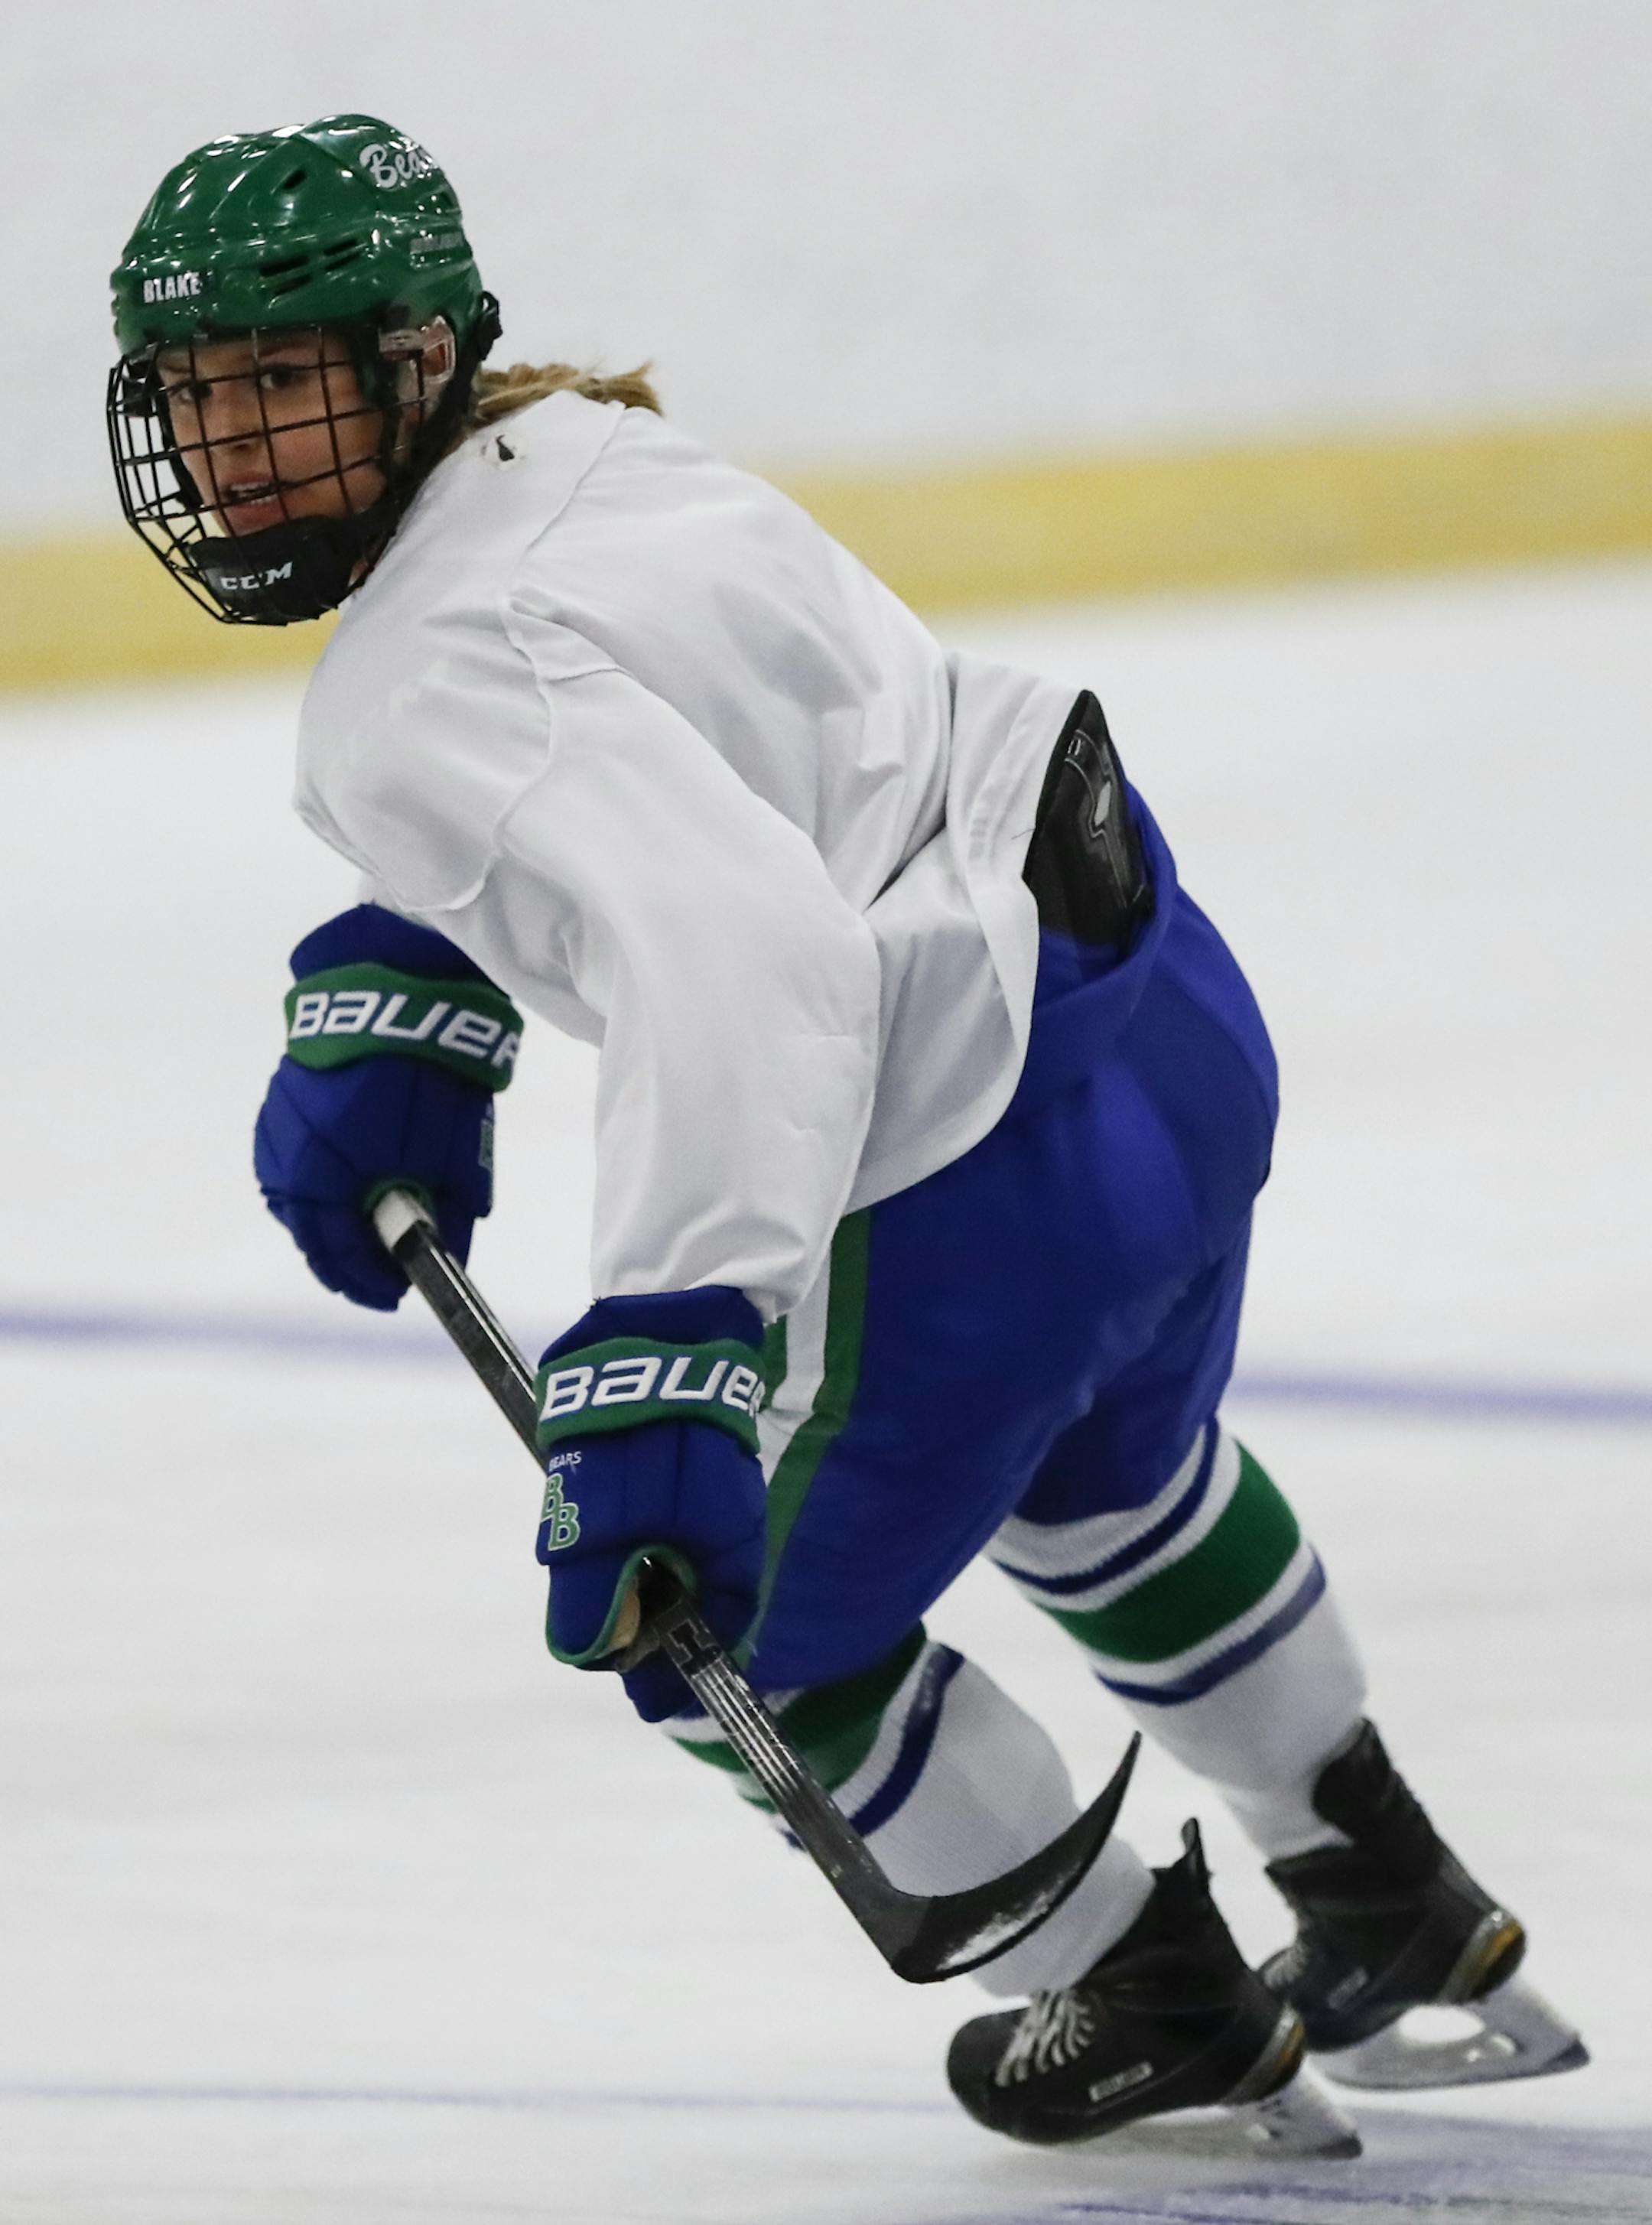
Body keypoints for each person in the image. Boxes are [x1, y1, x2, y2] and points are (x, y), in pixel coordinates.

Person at [108, 114, 1583, 2152]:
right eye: (201, 395)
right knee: (1114, 1491)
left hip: (964, 1173)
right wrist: (424, 946)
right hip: (1157, 1029)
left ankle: (1137, 1995)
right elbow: (698, 740)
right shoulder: (599, 458)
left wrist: (680, 1340)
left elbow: (750, 953)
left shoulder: (415, 679)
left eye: (286, 381)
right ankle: (1389, 1901)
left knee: (716, 1629)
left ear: (420, 362)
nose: (242, 446)